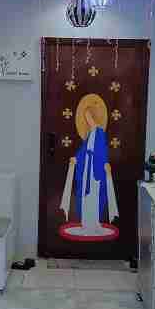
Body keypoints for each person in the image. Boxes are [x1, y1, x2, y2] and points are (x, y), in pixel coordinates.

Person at [60, 94, 118, 238]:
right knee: (85, 195)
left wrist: (105, 164)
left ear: (94, 117)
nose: (87, 120)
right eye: (86, 118)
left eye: (89, 117)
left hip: (95, 169)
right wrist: (76, 158)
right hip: (86, 169)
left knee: (94, 194)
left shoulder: (99, 133)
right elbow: (83, 150)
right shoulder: (89, 134)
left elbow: (103, 150)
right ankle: (86, 223)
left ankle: (94, 223)